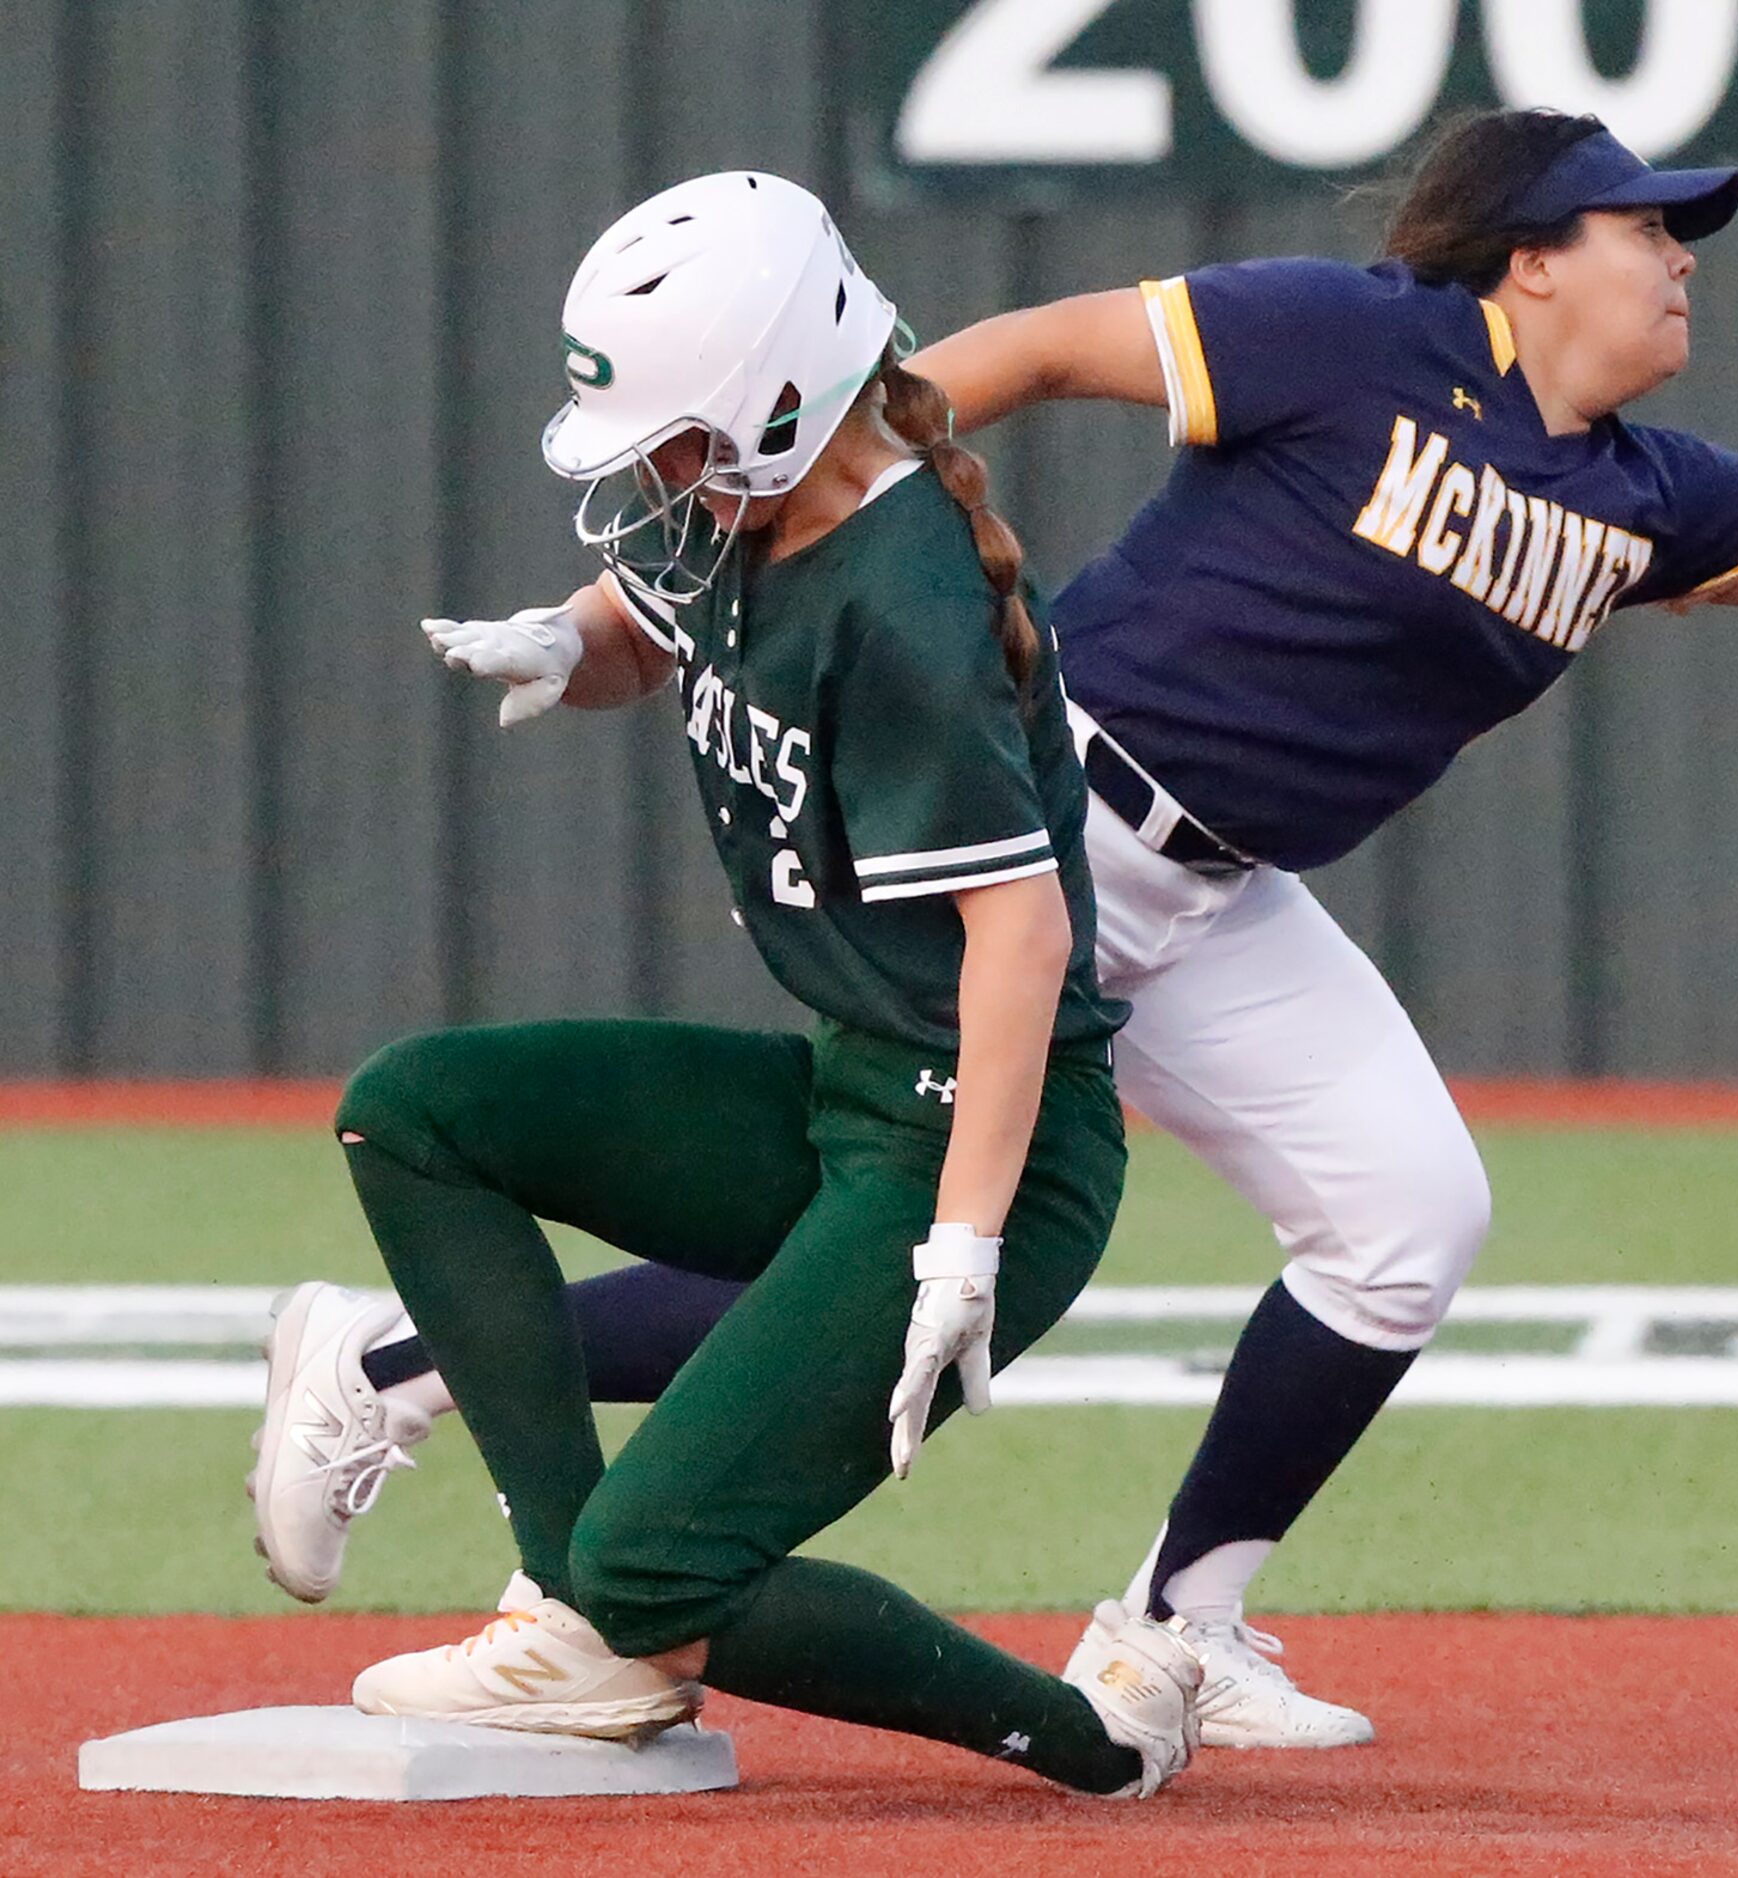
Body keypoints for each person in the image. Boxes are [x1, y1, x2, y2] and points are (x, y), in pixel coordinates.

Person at [262, 110, 1738, 1748]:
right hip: (1045, 829)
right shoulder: (1342, 337)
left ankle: (1161, 1627)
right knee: (890, 1238)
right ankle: (425, 1381)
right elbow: (1013, 352)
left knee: (1406, 1215)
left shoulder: (1651, 495)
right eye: (1647, 229)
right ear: (1528, 260)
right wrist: (675, 574)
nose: (1682, 262)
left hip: (1220, 898)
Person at [257, 170, 1206, 1798]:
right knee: (417, 1112)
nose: (652, 476)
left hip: (986, 1141)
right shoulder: (757, 510)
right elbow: (651, 615)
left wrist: (966, 1243)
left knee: (661, 1571)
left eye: (678, 438)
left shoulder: (901, 605)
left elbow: (1024, 936)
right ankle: (580, 1616)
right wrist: (568, 643)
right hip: (858, 1087)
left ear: (778, 405)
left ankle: (1100, 1738)